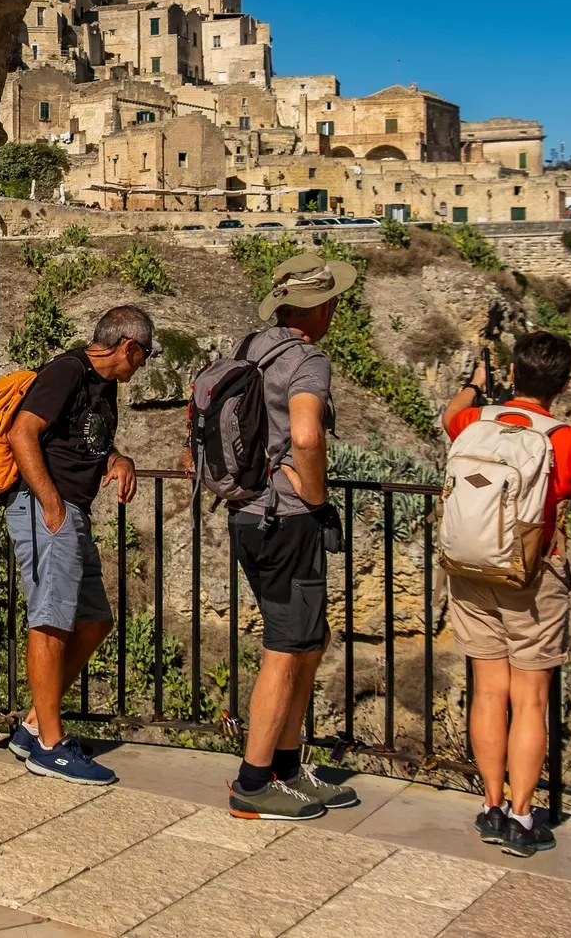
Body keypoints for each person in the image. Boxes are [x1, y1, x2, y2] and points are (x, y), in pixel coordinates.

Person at [442, 331, 571, 858]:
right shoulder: (568, 439)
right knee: (530, 698)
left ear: (512, 374)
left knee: (487, 690)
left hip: (471, 571)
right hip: (533, 579)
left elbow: (452, 412)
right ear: (561, 385)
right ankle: (521, 814)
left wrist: (475, 384)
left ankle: (490, 806)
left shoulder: (473, 423)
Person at [228, 252, 360, 821]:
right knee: (286, 648)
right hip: (287, 519)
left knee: (307, 638)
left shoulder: (248, 350)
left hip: (246, 515)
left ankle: (285, 769)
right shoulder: (307, 361)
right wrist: (317, 498)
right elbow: (306, 437)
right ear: (320, 306)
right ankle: (253, 783)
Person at [1, 305, 152, 785]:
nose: (142, 366)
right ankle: (49, 744)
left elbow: (82, 440)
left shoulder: (100, 383)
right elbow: (22, 431)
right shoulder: (67, 370)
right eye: (143, 355)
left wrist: (118, 458)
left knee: (93, 621)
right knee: (50, 623)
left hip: (69, 513)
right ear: (128, 346)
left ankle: (32, 725)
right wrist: (51, 505)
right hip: (48, 510)